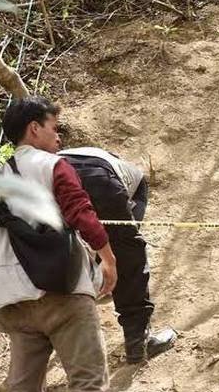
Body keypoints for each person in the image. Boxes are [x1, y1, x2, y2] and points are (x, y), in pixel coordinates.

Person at [0, 96, 117, 392]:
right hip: (62, 295)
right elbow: (80, 211)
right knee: (88, 384)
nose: (58, 136)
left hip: (13, 305)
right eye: (53, 127)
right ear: (34, 129)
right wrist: (108, 257)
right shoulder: (53, 166)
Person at [58, 146, 177, 364]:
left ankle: (63, 341)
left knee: (58, 251)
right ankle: (138, 341)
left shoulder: (61, 157)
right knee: (126, 249)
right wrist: (113, 255)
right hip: (100, 179)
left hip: (50, 178)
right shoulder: (133, 176)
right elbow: (120, 236)